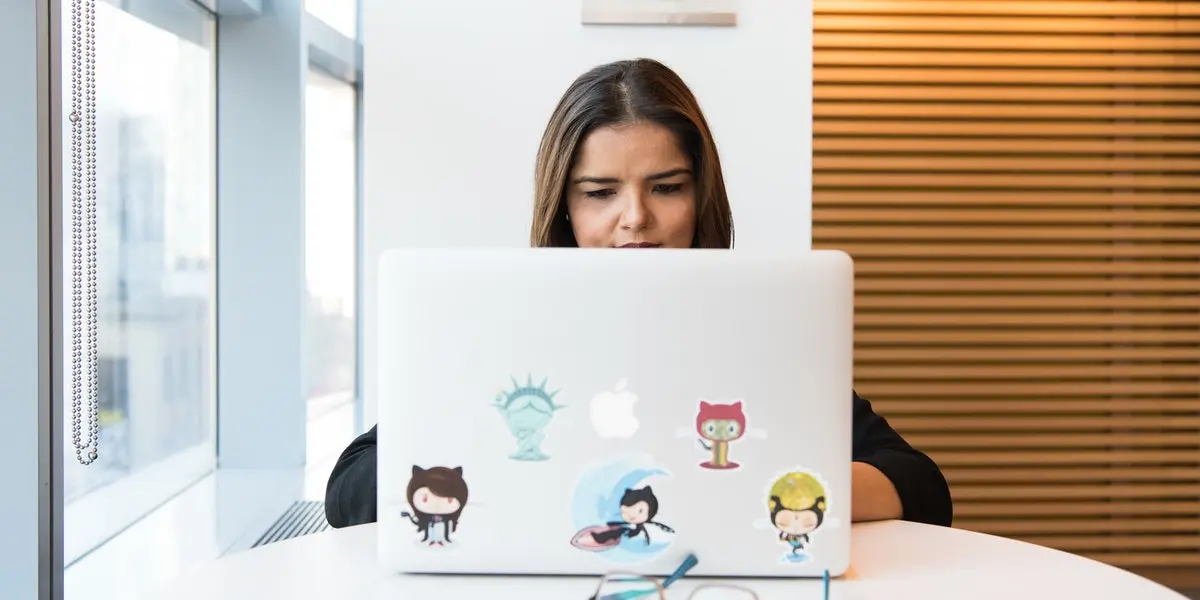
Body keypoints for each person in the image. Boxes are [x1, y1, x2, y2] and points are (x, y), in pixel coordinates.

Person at [326, 58, 953, 530]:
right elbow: (350, 485)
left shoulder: (756, 325)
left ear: (700, 197)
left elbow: (921, 487)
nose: (635, 219)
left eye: (667, 187)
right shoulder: (510, 323)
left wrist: (752, 493)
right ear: (564, 208)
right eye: (600, 192)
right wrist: (518, 485)